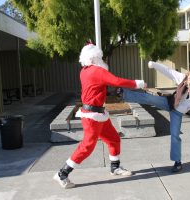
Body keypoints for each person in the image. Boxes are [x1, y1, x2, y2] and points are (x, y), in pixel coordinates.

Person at [53, 43, 147, 189]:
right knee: (87, 146)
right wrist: (138, 83)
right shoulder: (97, 71)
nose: (102, 59)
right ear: (95, 57)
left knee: (113, 139)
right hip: (92, 116)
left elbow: (98, 86)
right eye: (100, 57)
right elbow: (117, 81)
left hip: (98, 113)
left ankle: (115, 167)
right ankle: (62, 173)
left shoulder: (84, 71)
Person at [122, 61, 190, 172]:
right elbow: (168, 71)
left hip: (177, 113)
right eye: (189, 76)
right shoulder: (183, 79)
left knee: (175, 136)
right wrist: (154, 64)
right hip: (168, 102)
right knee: (149, 98)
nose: (189, 79)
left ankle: (177, 162)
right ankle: (124, 93)